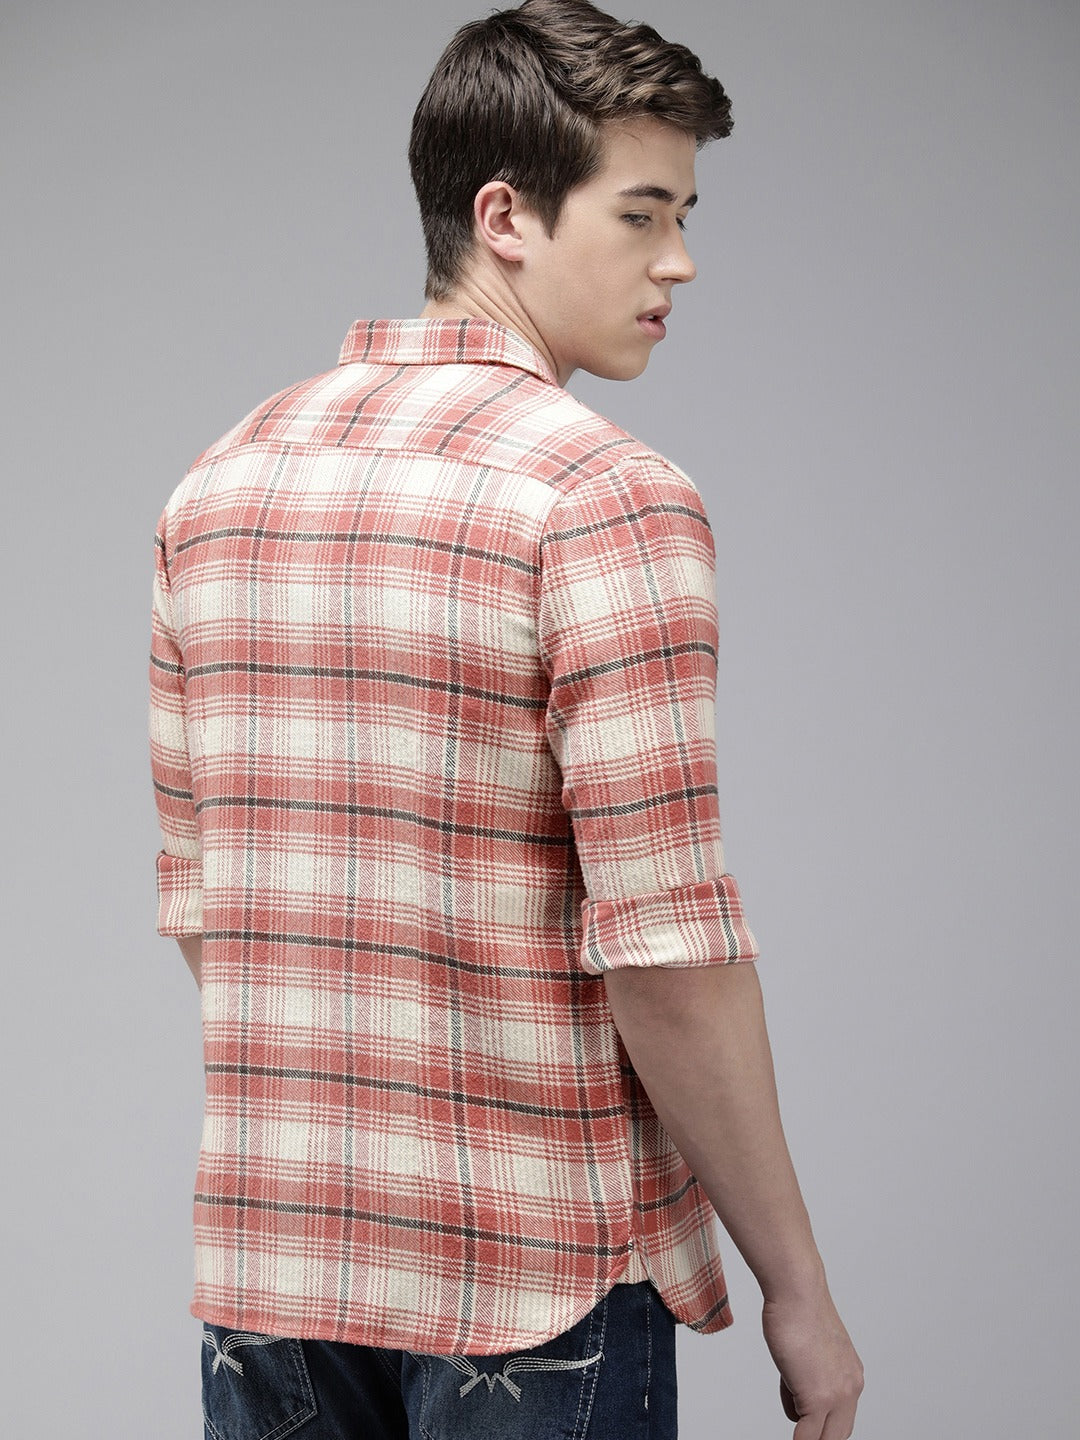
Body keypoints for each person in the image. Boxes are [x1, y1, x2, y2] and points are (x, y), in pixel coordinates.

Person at [148, 1, 864, 1436]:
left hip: (275, 1274)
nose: (679, 260)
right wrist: (796, 1286)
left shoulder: (218, 483)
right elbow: (667, 950)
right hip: (534, 1278)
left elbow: (203, 906)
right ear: (505, 217)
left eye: (685, 216)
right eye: (643, 213)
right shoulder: (604, 497)